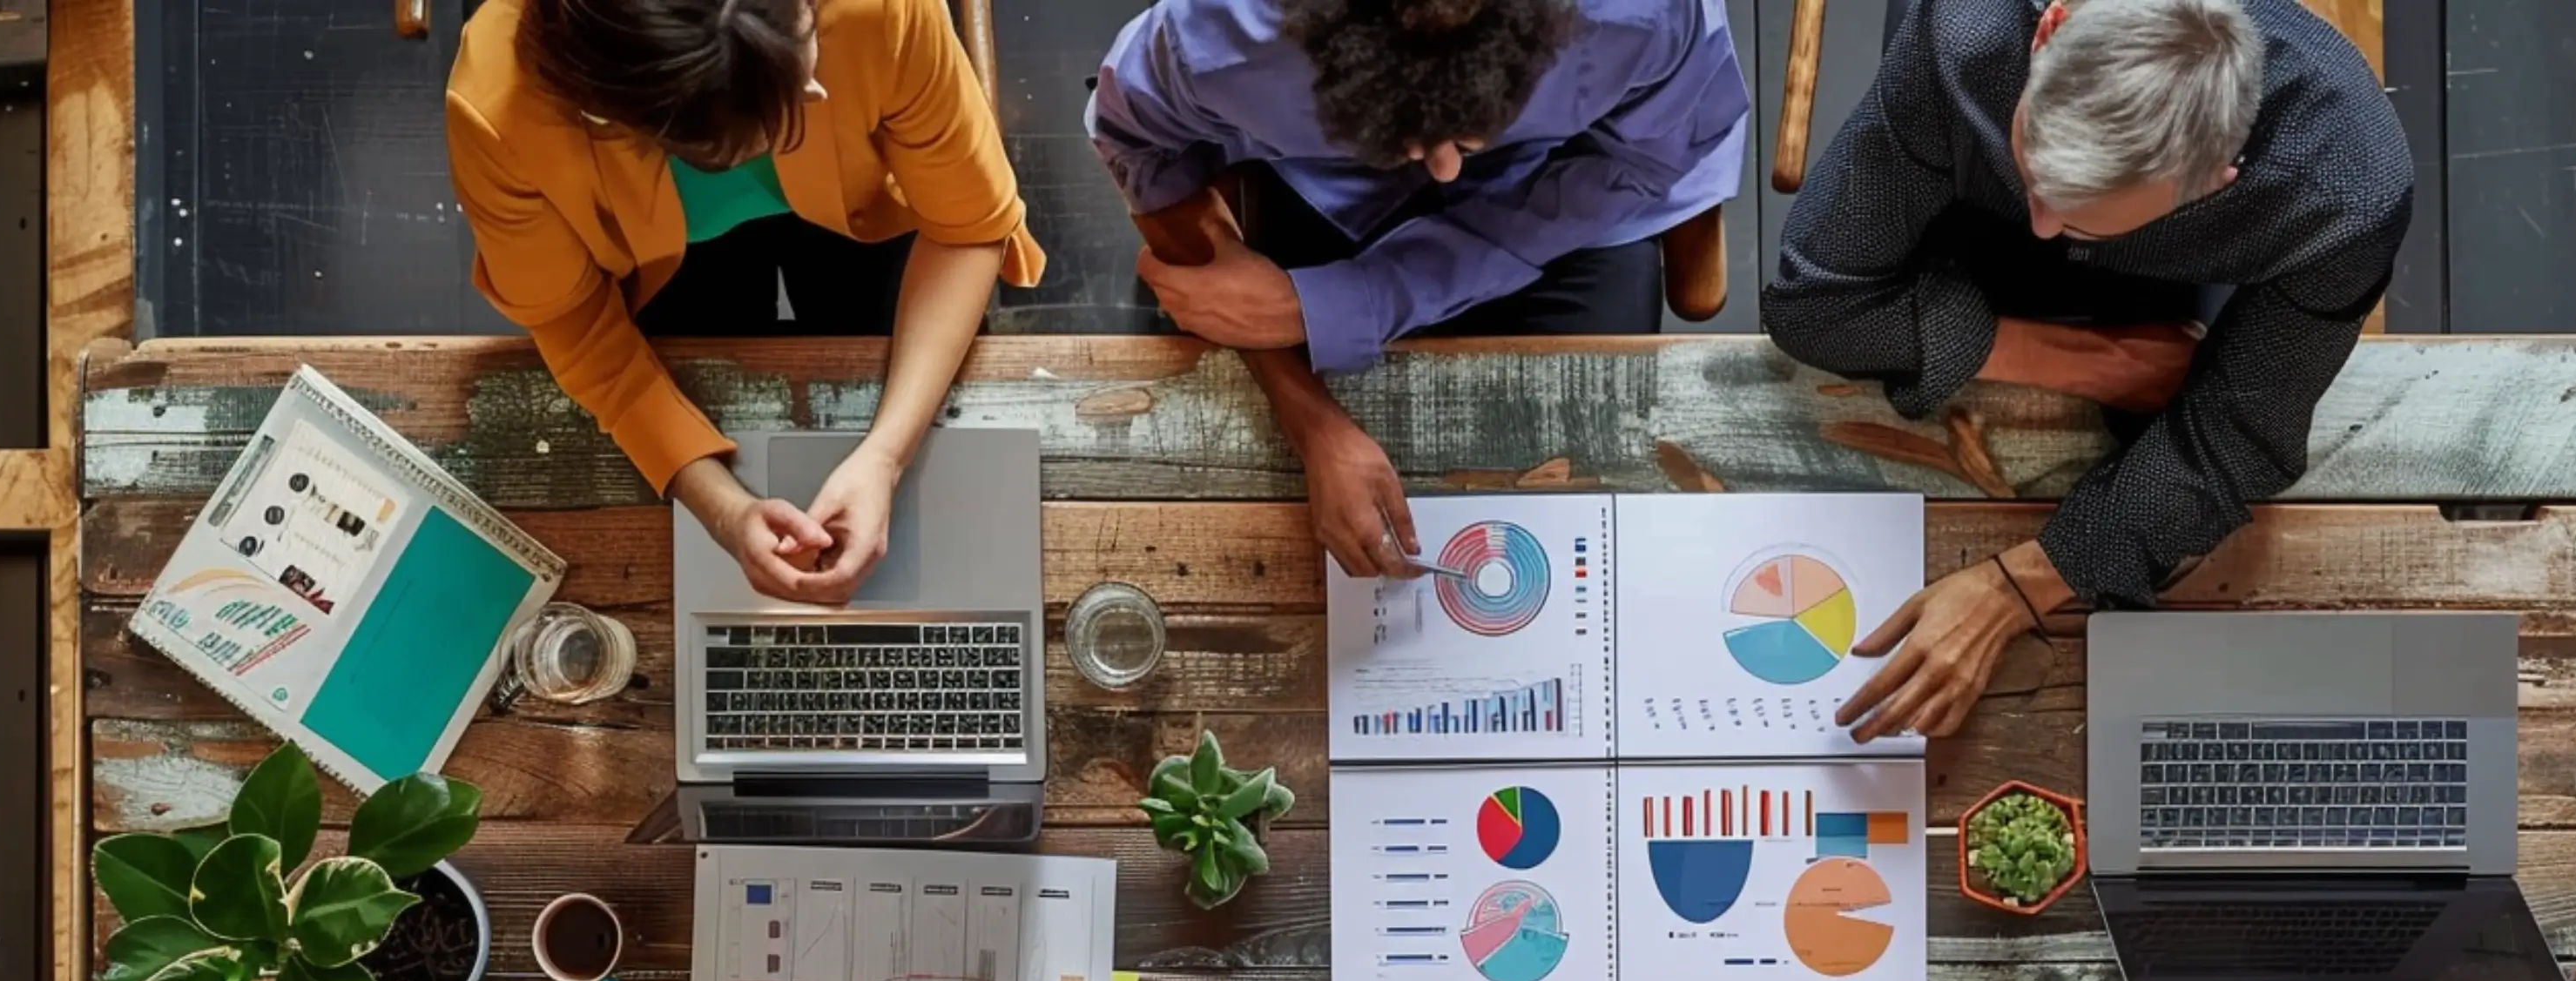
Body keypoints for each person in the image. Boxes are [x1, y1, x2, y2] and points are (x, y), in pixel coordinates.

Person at [1761, 0, 2411, 739]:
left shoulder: (2344, 193)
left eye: (2071, 217)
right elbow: (1815, 303)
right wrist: (2100, 365)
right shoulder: (1960, 36)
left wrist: (2015, 589)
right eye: (2033, 178)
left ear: (2214, 182)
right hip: (1963, 192)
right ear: (2051, 29)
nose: (2041, 224)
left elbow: (2235, 442)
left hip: (2175, 270)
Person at [1088, 0, 1750, 577]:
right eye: (1409, 140)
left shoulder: (1642, 15)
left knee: (1596, 473)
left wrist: (1360, 299)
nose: (1446, 169)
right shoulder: (1220, 34)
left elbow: (1642, 161)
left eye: (1467, 135)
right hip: (1324, 182)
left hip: (1572, 181)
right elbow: (1139, 147)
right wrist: (1314, 423)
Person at [447, 0, 1042, 605]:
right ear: (623, 123)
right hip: (659, 260)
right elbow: (572, 319)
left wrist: (886, 455)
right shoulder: (500, 109)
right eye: (758, 132)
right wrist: (721, 508)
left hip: (867, 211)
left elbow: (965, 228)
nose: (816, 90)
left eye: (808, 29)